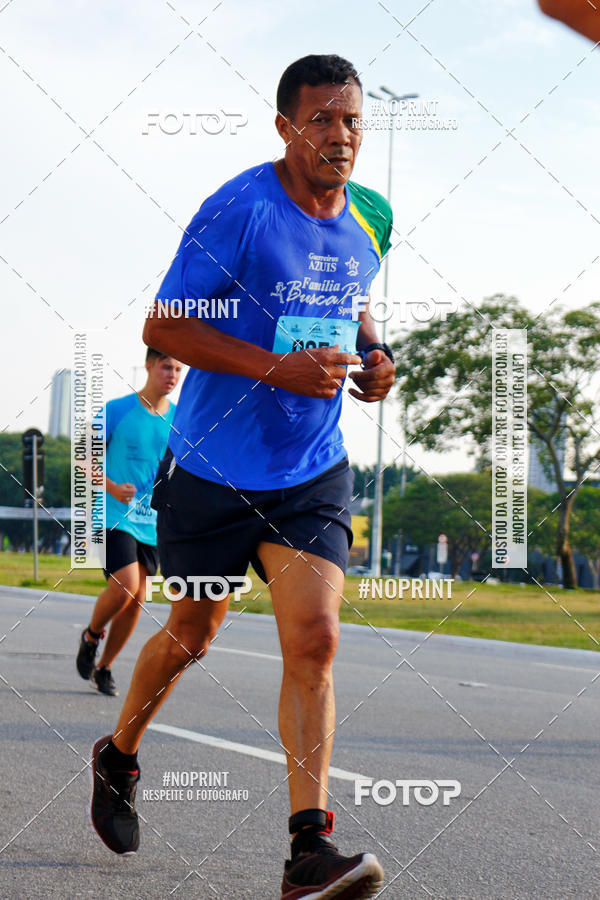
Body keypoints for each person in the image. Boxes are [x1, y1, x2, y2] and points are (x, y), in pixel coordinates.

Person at [89, 54, 396, 899]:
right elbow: (164, 326)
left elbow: (354, 294)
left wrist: (375, 354)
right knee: (192, 634)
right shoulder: (239, 209)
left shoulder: (372, 213)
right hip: (214, 470)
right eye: (322, 119)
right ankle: (119, 755)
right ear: (286, 126)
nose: (340, 135)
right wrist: (274, 367)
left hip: (311, 470)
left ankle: (308, 852)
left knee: (316, 639)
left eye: (353, 120)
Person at [76, 348, 181, 695]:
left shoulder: (179, 419)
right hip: (113, 514)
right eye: (166, 367)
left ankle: (104, 667)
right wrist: (111, 486)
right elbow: (82, 457)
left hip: (153, 522)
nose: (172, 375)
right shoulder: (117, 410)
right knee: (125, 584)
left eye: (178, 370)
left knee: (137, 598)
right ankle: (91, 636)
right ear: (149, 365)